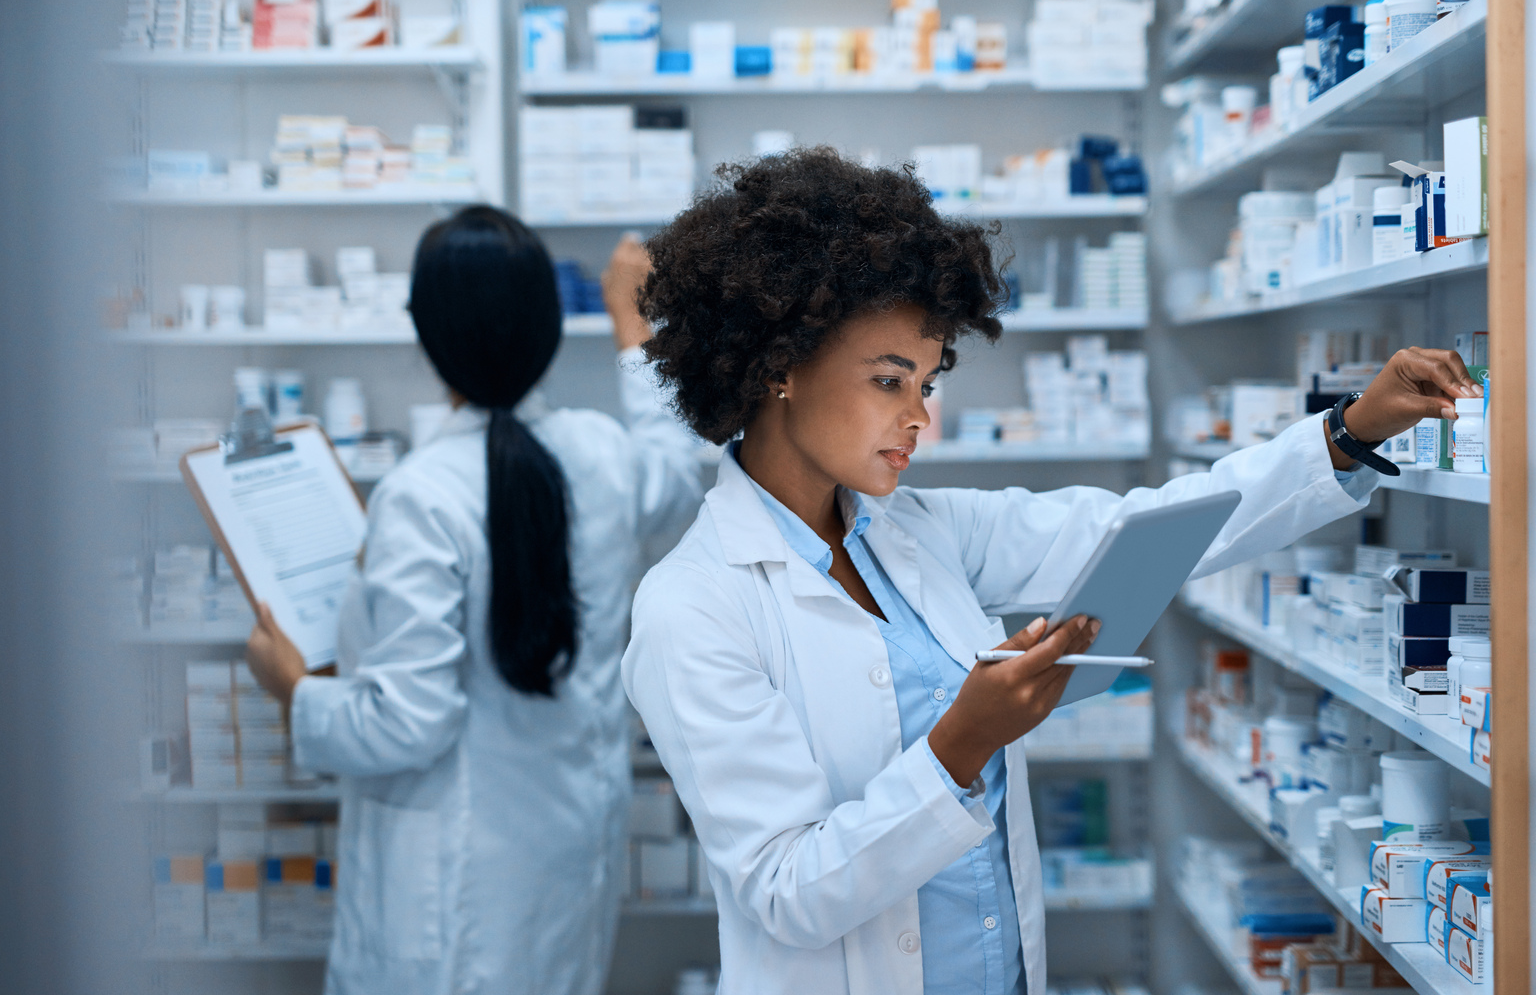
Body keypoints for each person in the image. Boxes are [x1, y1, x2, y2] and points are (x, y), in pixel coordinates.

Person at [621, 148, 1481, 995]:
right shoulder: (694, 606)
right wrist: (963, 742)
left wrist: (1349, 431)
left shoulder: (915, 531)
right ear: (778, 367)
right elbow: (788, 892)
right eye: (889, 380)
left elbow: (1143, 529)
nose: (920, 416)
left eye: (926, 381)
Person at [243, 209, 702, 995]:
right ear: (548, 328)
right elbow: (679, 464)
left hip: (451, 887)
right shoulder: (604, 456)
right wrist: (633, 324)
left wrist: (294, 689)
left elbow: (404, 725)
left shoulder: (421, 494)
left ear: (429, 336)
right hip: (563, 858)